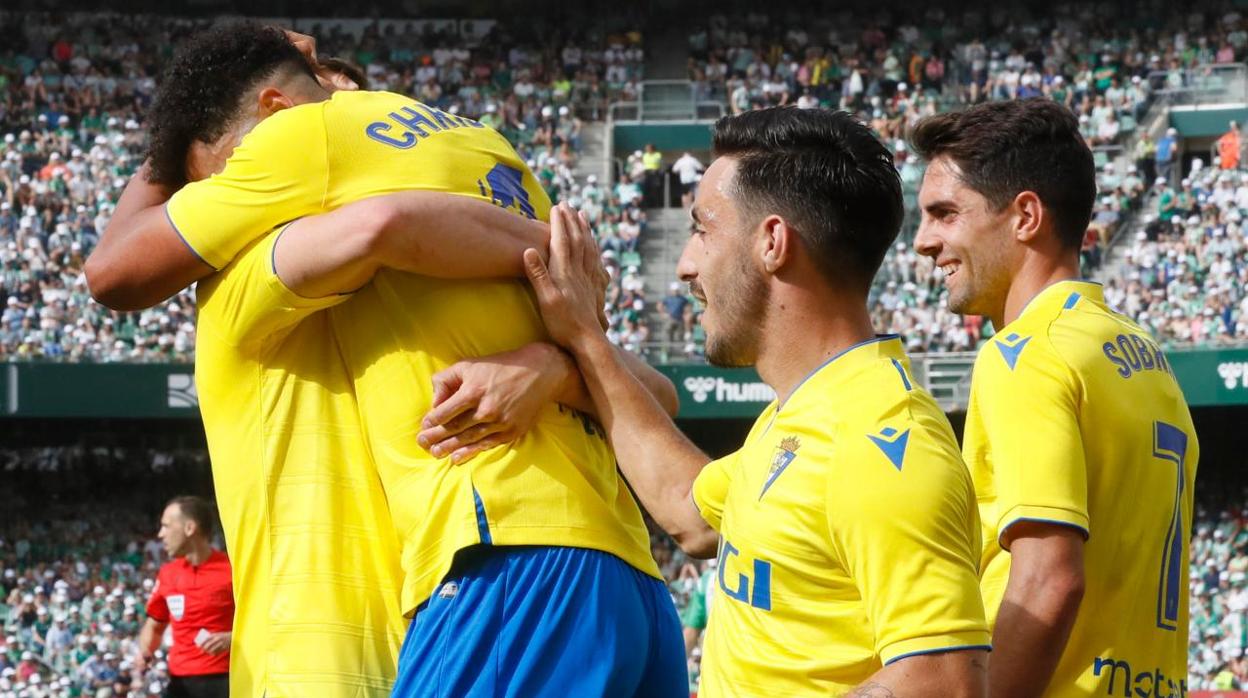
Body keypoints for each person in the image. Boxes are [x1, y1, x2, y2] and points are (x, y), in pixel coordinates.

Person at [86, 23, 686, 698]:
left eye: (224, 176)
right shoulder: (488, 152)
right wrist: (558, 323)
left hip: (489, 564)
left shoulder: (303, 151)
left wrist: (552, 346)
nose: (233, 200)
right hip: (617, 576)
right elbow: (657, 390)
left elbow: (115, 272)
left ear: (279, 114)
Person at [501, 108, 990, 696]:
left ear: (772, 242)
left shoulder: (882, 441)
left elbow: (942, 679)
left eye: (703, 230)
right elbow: (688, 508)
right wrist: (582, 343)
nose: (685, 264)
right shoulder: (796, 418)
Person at [911, 98, 1199, 697]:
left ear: (1025, 216)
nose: (922, 241)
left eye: (944, 214)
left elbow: (1048, 579)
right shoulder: (1142, 354)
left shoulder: (1026, 353)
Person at [137, 497, 233, 698]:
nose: (160, 534)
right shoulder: (167, 574)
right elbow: (154, 625)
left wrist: (233, 638)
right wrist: (145, 652)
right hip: (180, 683)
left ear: (189, 528)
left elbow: (263, 623)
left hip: (227, 681)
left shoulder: (233, 571)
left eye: (166, 526)